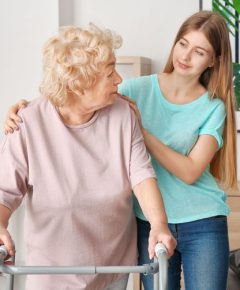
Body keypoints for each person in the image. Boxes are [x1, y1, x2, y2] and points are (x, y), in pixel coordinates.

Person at [4, 10, 237, 290]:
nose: (117, 78)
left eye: (199, 51)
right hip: (85, 255)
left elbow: (155, 172)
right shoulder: (130, 91)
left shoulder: (204, 107)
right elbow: (66, 92)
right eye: (183, 44)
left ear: (213, 60)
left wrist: (158, 222)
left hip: (187, 224)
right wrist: (23, 110)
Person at [0, 24, 176, 290]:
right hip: (51, 272)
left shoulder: (122, 114)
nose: (119, 79)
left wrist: (159, 225)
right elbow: (5, 191)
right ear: (79, 83)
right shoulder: (27, 123)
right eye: (110, 73)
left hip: (113, 267)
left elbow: (141, 174)